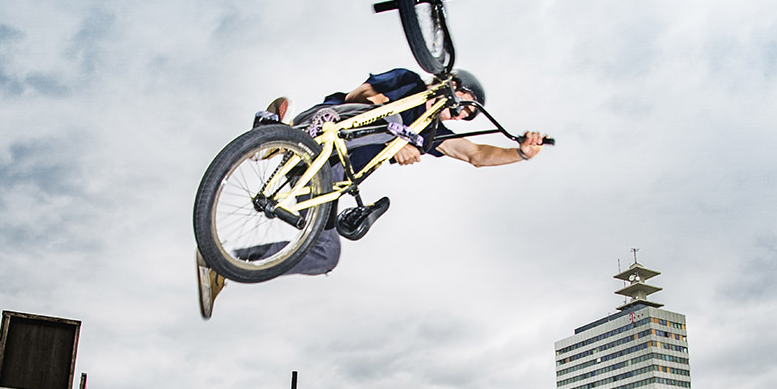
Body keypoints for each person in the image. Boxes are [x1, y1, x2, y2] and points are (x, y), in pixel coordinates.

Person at [197, 68, 549, 318]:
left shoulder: (430, 134)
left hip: (326, 174)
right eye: (465, 106)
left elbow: (476, 154)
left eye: (468, 116)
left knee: (326, 254)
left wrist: (520, 154)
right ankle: (277, 135)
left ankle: (222, 262)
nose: (460, 116)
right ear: (453, 87)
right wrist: (394, 131)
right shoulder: (409, 84)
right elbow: (357, 95)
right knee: (379, 118)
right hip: (332, 124)